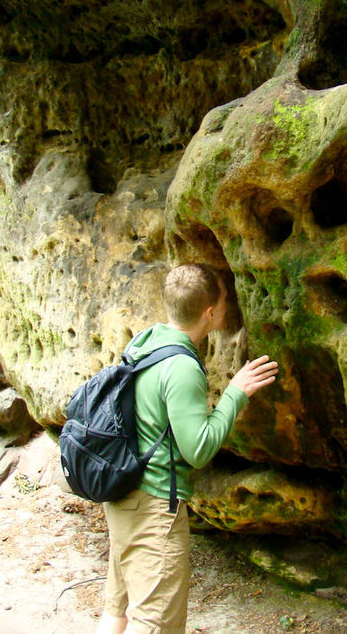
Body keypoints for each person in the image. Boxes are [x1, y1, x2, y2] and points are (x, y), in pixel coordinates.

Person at [95, 263, 279, 634]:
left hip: (122, 495)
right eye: (225, 301)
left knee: (118, 608)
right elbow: (197, 450)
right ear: (210, 313)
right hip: (153, 507)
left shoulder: (145, 341)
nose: (228, 306)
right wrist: (234, 395)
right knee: (153, 621)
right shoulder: (181, 367)